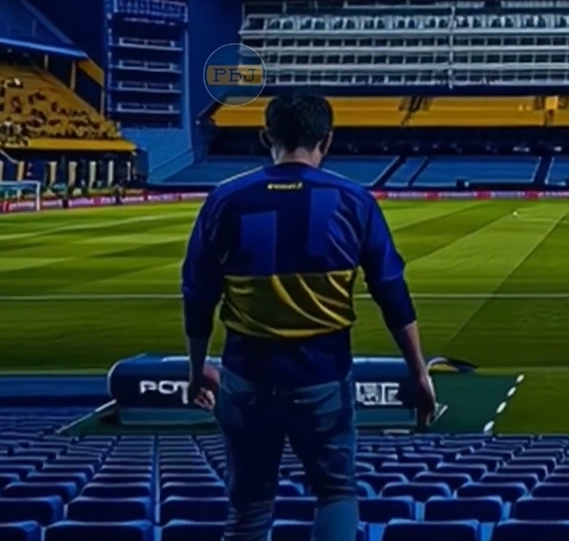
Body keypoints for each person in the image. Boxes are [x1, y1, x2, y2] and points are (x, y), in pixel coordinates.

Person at [182, 91, 434, 541]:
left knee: (248, 509)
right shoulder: (354, 200)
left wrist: (197, 369)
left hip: (245, 379)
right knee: (336, 492)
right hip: (323, 379)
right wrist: (419, 373)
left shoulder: (225, 198)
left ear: (266, 136)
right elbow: (392, 294)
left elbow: (197, 296)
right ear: (328, 139)